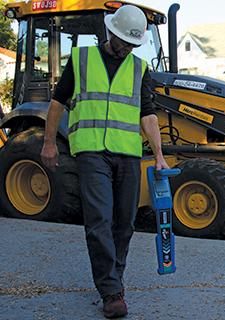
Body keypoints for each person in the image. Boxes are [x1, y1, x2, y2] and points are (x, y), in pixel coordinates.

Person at [40, 5, 168, 319]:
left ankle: (115, 279)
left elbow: (147, 114)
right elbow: (58, 101)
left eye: (132, 44)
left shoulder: (139, 68)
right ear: (110, 32)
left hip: (127, 153)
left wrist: (160, 156)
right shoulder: (82, 59)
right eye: (123, 41)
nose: (126, 48)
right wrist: (48, 143)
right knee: (99, 219)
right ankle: (111, 291)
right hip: (91, 151)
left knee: (125, 223)